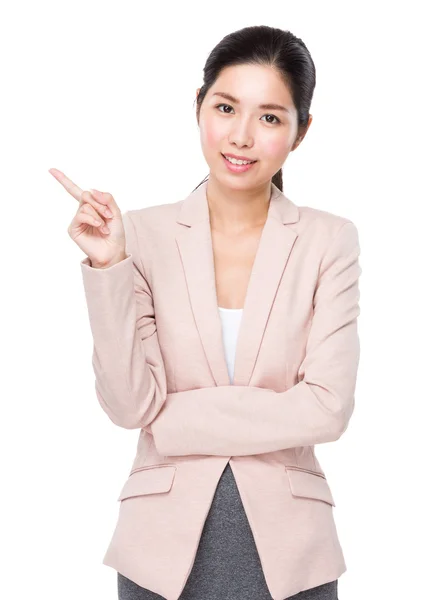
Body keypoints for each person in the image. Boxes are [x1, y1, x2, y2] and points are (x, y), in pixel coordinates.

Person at [50, 24, 361, 600]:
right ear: (199, 108)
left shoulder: (329, 240)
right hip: (159, 555)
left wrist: (174, 421)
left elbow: (327, 408)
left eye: (269, 117)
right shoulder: (138, 235)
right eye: (225, 107)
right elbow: (129, 406)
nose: (241, 136)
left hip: (293, 556)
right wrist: (109, 266)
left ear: (301, 131)